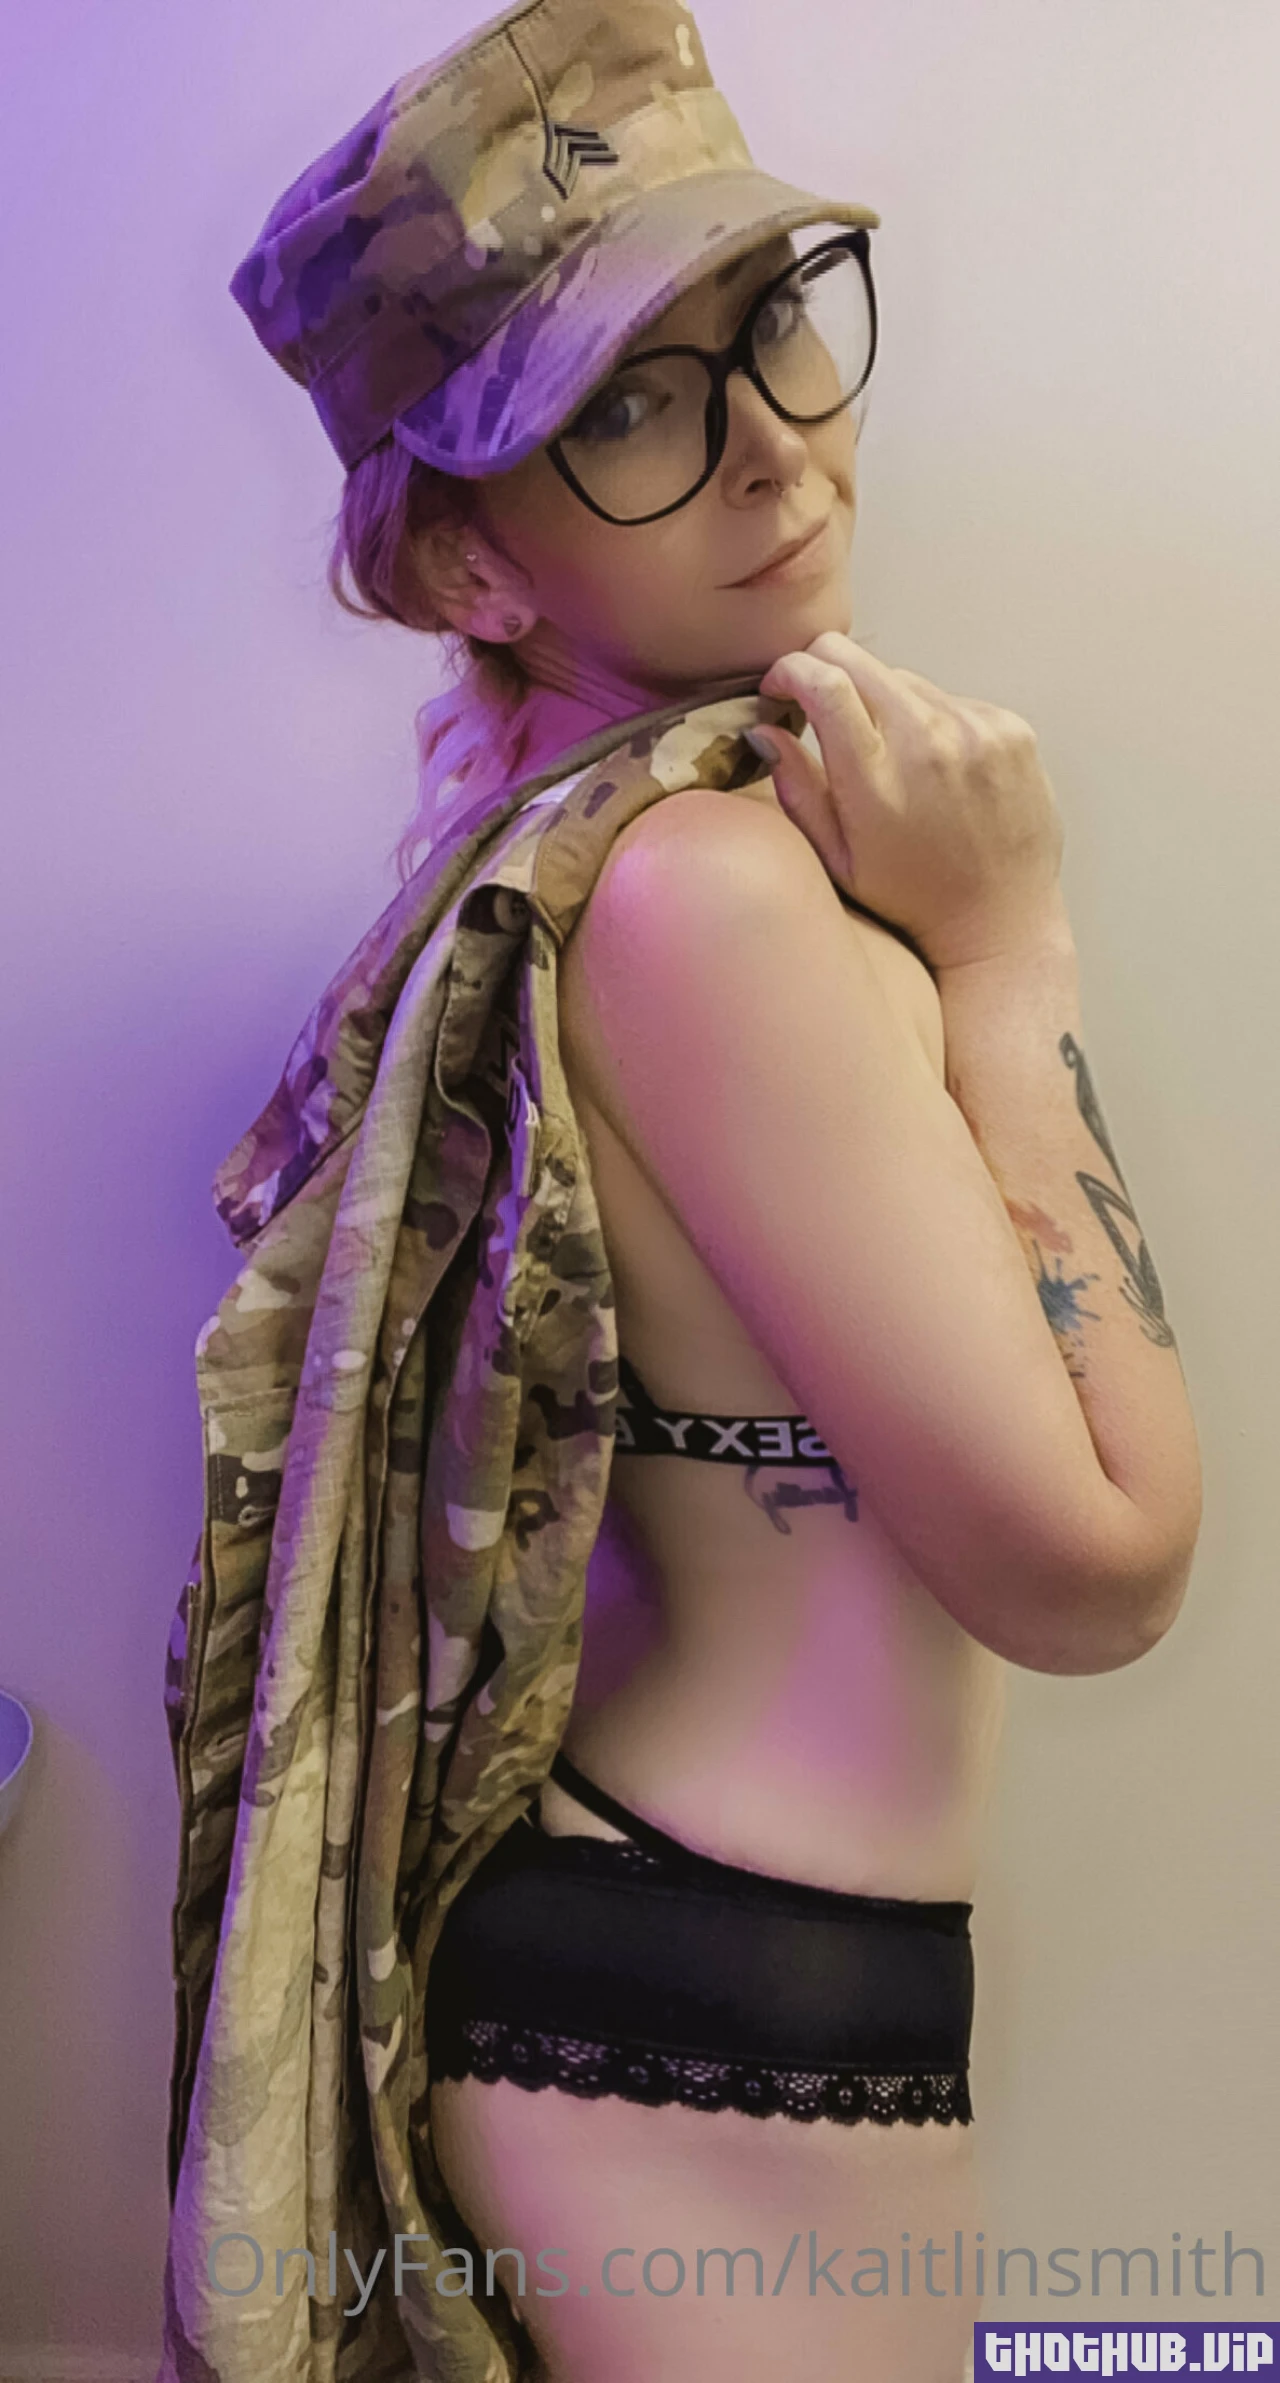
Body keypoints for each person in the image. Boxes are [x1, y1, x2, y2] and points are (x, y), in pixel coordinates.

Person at [223, 4, 1204, 2376]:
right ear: (464, 557)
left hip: (708, 1977)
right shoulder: (703, 897)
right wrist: (1010, 957)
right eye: (631, 405)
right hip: (722, 2024)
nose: (770, 434)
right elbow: (1095, 1567)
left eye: (771, 318)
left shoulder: (602, 849)